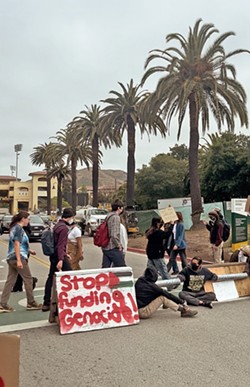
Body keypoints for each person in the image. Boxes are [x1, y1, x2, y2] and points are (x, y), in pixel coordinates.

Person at [0, 211, 42, 313]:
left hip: (11, 257)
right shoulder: (18, 229)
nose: (29, 221)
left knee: (10, 281)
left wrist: (29, 250)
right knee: (28, 279)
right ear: (23, 218)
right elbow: (17, 244)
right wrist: (19, 260)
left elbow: (20, 244)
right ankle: (31, 302)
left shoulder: (14, 228)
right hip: (18, 258)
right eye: (28, 219)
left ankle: (3, 304)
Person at [42, 207, 74, 312]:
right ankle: (72, 298)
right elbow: (60, 245)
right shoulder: (64, 228)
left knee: (51, 277)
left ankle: (46, 302)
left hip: (54, 255)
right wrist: (61, 258)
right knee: (70, 276)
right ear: (70, 217)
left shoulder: (57, 225)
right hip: (59, 256)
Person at [12, 222, 37, 292]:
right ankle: (18, 286)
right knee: (19, 270)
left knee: (23, 272)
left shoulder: (23, 231)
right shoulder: (24, 230)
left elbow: (21, 244)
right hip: (23, 252)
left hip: (21, 253)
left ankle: (31, 281)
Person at [101, 199, 126, 268]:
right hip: (112, 247)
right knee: (122, 269)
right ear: (119, 208)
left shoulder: (108, 216)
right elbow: (114, 234)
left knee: (106, 269)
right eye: (122, 207)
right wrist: (118, 245)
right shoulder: (116, 217)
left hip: (106, 246)